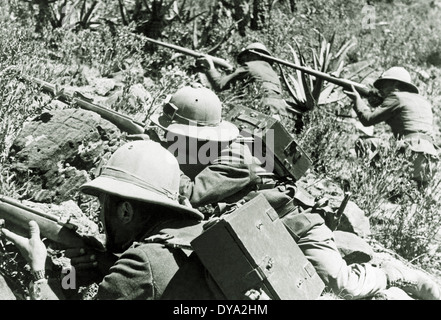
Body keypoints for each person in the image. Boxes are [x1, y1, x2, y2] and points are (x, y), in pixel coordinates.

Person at [150, 84, 441, 300]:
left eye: (174, 135)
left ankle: (388, 273)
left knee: (344, 287)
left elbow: (190, 195)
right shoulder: (203, 150)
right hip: (263, 235)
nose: (170, 139)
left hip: (298, 227)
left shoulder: (237, 157)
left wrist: (153, 155)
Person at [0, 140, 243, 300]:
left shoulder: (140, 265)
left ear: (125, 211)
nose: (100, 216)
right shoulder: (195, 236)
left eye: (102, 204)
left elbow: (140, 278)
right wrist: (67, 273)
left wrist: (40, 271)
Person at [346, 66, 439, 187]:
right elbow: (406, 120)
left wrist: (357, 100)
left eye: (383, 85)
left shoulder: (396, 97)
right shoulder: (422, 101)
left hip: (411, 153)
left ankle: (370, 186)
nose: (381, 90)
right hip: (430, 161)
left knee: (364, 144)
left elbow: (367, 119)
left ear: (395, 83)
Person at [197, 42, 297, 120]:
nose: (243, 59)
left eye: (246, 55)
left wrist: (210, 66)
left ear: (253, 55)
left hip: (258, 110)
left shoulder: (248, 67)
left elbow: (219, 85)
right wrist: (232, 73)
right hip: (280, 112)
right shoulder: (273, 73)